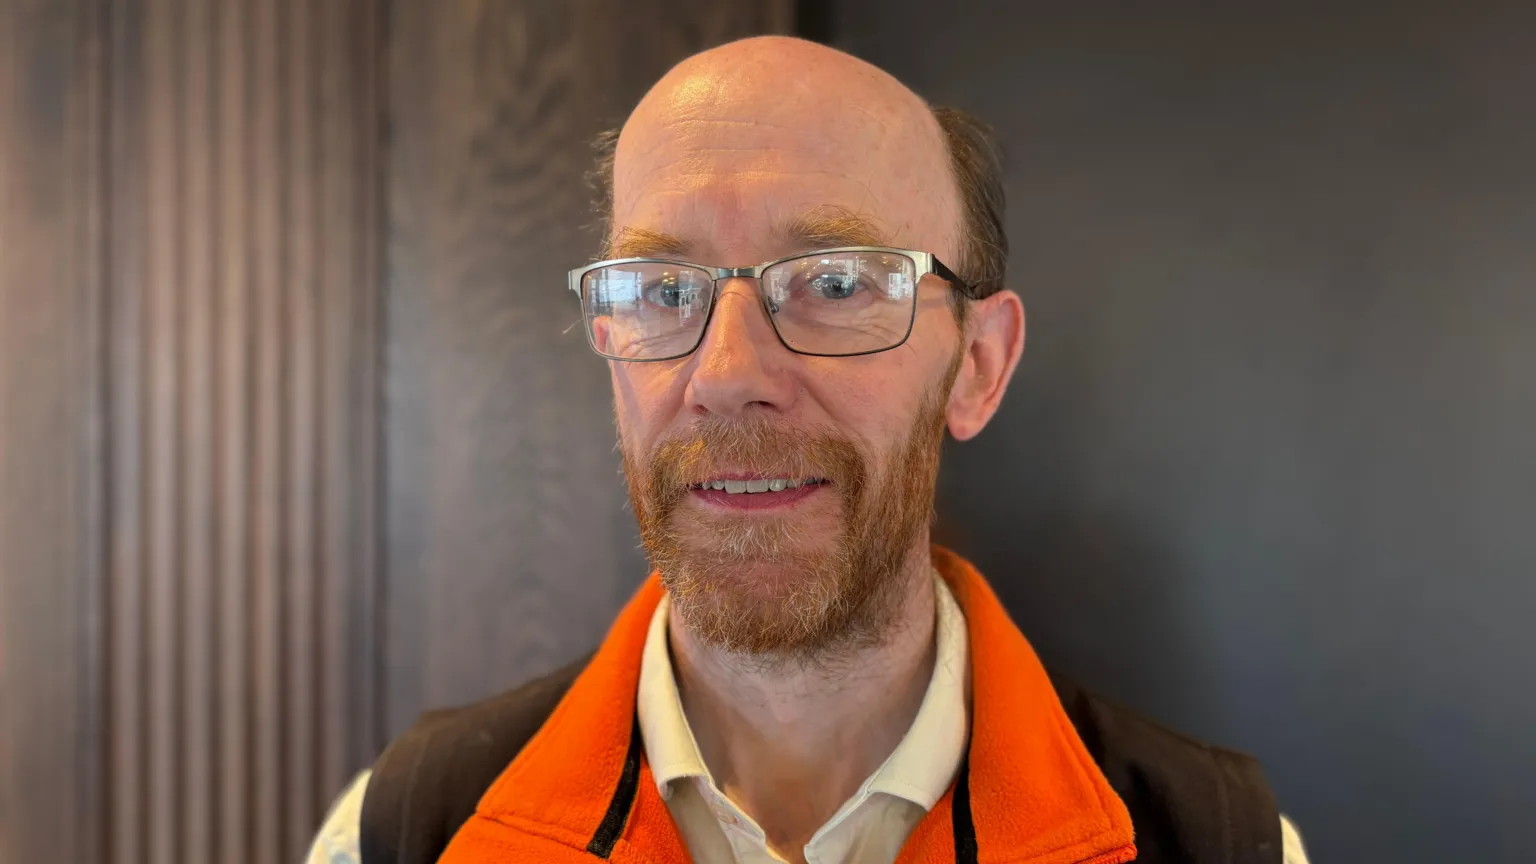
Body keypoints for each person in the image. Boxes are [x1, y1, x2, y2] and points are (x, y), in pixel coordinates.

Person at [309, 35, 1310, 864]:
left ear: (978, 366)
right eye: (663, 290)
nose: (726, 373)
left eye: (834, 284)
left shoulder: (1216, 842)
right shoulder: (405, 830)